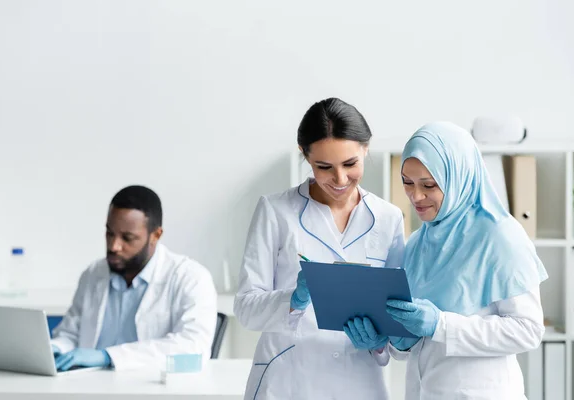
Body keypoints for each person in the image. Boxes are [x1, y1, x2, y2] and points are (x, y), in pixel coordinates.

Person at [347, 121, 548, 398]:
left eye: (429, 185)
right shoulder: (418, 242)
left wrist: (440, 324)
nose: (416, 196)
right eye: (407, 183)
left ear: (457, 177)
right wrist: (388, 340)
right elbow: (415, 343)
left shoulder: (500, 236)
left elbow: (528, 330)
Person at [234, 98, 405, 399]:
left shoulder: (388, 218)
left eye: (350, 164)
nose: (339, 179)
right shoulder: (276, 211)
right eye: (324, 167)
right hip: (289, 381)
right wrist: (293, 299)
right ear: (305, 155)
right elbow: (246, 308)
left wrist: (379, 341)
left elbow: (396, 319)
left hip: (360, 382)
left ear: (366, 148)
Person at [51, 185, 218, 371]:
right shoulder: (93, 274)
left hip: (152, 389)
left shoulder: (190, 277)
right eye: (110, 233)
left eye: (127, 238)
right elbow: (72, 334)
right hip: (91, 386)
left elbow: (193, 347)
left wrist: (108, 356)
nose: (114, 246)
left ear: (156, 235)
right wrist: (55, 347)